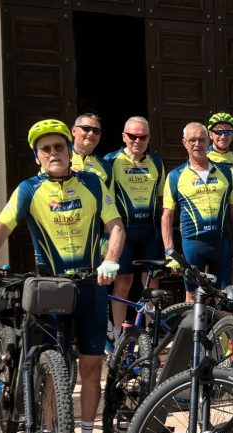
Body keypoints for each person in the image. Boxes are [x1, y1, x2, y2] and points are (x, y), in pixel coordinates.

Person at [0, 119, 125, 433]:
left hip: (91, 286)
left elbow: (115, 226)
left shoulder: (92, 183)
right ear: (37, 156)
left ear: (69, 150)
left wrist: (110, 260)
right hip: (52, 288)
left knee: (91, 367)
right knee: (55, 368)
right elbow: (1, 228)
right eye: (46, 149)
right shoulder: (28, 189)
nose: (54, 153)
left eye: (59, 147)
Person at [161, 122, 233, 299]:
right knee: (192, 295)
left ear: (208, 140)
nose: (197, 144)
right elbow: (167, 217)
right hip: (193, 243)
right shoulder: (175, 175)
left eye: (201, 139)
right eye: (192, 140)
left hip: (221, 243)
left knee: (223, 295)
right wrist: (170, 251)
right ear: (184, 143)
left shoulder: (225, 172)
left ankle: (220, 320)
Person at [103, 116, 166, 331]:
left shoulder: (156, 162)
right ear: (124, 136)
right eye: (132, 136)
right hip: (123, 231)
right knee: (123, 281)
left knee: (152, 283)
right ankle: (119, 334)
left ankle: (151, 333)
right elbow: (105, 202)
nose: (137, 140)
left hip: (150, 231)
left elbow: (162, 200)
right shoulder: (111, 161)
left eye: (143, 137)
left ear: (149, 138)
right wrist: (105, 237)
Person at [70, 113, 112, 187]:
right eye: (86, 128)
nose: (91, 133)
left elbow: (108, 194)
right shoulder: (59, 158)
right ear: (74, 131)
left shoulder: (105, 166)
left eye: (96, 131)